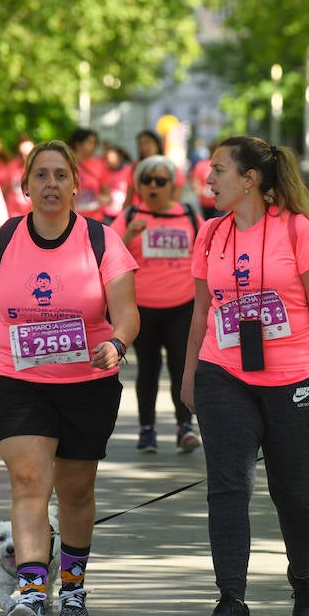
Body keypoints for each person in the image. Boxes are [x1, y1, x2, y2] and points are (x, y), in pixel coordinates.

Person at [0, 139, 139, 616]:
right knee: (29, 481)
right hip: (20, 381)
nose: (51, 184)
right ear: (25, 186)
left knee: (76, 491)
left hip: (89, 382)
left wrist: (119, 343)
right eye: (41, 175)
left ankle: (74, 585)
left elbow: (126, 312)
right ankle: (34, 591)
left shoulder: (102, 241)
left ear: (77, 186)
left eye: (61, 175)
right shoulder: (2, 241)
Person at [180, 136, 309, 616]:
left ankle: (303, 581)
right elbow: (200, 311)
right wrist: (190, 372)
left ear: (250, 178)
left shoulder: (298, 231)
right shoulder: (210, 235)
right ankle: (231, 599)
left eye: (218, 171)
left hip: (295, 378)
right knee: (228, 485)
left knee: (292, 490)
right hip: (223, 373)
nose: (208, 179)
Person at [122, 155, 202, 455]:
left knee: (182, 366)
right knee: (148, 369)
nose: (153, 186)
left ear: (172, 186)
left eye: (161, 181)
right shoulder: (130, 215)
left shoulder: (190, 215)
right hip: (142, 307)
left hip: (183, 305)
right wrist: (129, 235)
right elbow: (110, 254)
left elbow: (209, 252)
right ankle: (147, 430)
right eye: (147, 180)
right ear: (139, 185)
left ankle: (185, 427)